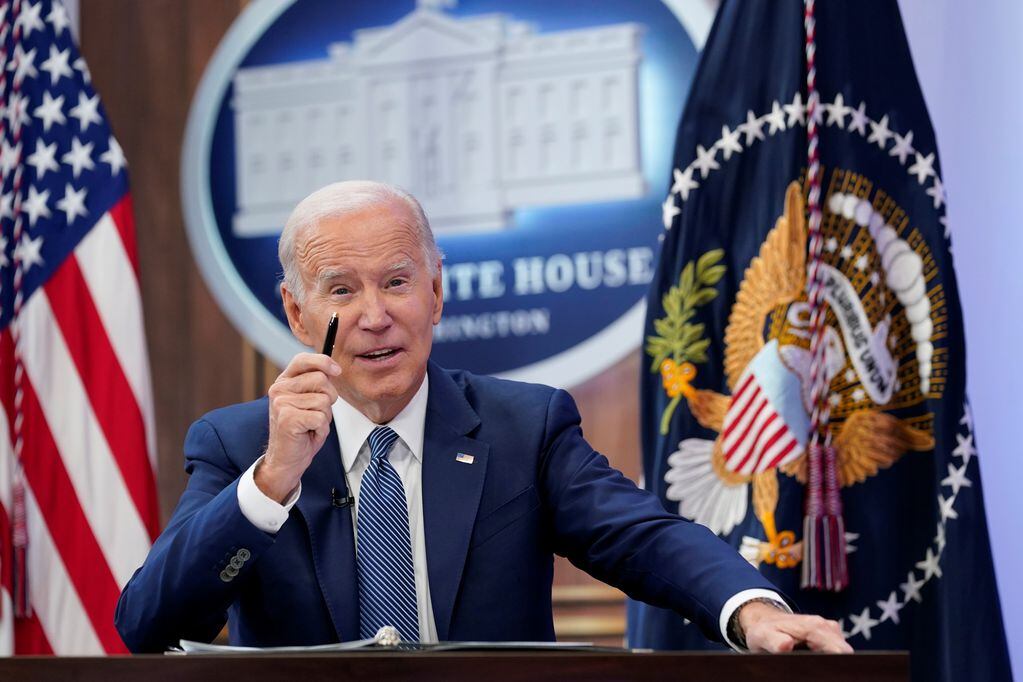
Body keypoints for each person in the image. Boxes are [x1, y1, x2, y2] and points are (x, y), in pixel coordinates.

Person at [115, 181, 850, 654]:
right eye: (341, 290)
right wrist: (271, 480)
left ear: (436, 293)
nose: (375, 317)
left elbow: (641, 536)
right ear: (297, 313)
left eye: (398, 282)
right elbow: (147, 624)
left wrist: (750, 609)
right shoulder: (237, 443)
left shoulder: (521, 428)